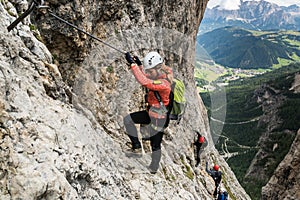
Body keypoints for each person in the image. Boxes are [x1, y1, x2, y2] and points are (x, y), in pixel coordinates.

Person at [123, 51, 172, 174]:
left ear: (158, 68)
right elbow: (147, 77)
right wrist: (139, 64)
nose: (149, 73)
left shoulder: (164, 83)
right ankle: (137, 147)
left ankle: (153, 167)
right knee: (128, 120)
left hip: (159, 118)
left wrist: (132, 65)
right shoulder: (158, 75)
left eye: (150, 71)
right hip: (151, 113)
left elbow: (145, 82)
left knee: (155, 145)